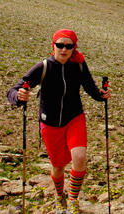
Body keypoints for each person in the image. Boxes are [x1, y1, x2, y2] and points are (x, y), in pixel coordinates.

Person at [7, 29, 111, 214]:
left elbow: (90, 87)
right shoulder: (44, 67)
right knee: (58, 166)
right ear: (53, 46)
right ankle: (59, 196)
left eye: (68, 46)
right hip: (50, 122)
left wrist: (101, 96)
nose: (64, 49)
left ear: (74, 47)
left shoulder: (78, 65)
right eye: (60, 45)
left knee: (79, 157)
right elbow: (14, 90)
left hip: (75, 118)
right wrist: (19, 96)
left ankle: (73, 200)